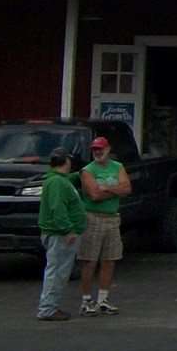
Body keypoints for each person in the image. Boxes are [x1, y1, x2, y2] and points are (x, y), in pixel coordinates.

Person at [77, 134, 131, 316]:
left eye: (100, 149)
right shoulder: (87, 170)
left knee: (110, 259)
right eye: (95, 150)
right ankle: (86, 300)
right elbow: (94, 195)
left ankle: (103, 299)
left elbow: (127, 189)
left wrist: (107, 189)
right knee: (89, 260)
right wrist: (115, 190)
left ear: (108, 149)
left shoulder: (118, 166)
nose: (98, 152)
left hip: (112, 217)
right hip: (93, 217)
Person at [36, 149, 84, 322]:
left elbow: (68, 181)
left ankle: (49, 307)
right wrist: (67, 229)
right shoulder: (57, 183)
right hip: (59, 235)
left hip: (57, 233)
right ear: (66, 162)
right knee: (57, 272)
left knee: (57, 270)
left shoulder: (58, 180)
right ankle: (48, 308)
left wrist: (80, 175)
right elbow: (58, 208)